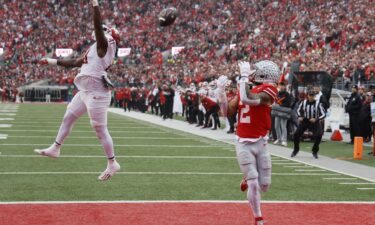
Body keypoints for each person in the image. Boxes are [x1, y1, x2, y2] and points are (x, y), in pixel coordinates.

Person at [34, 0, 121, 181]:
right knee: (69, 116)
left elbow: (98, 28)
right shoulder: (97, 49)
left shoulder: (106, 45)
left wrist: (95, 4)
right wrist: (50, 61)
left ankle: (113, 163)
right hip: (85, 91)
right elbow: (74, 62)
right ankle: (56, 148)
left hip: (97, 92)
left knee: (99, 129)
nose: (100, 31)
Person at [225, 60, 280, 225]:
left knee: (265, 185)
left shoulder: (269, 89)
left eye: (256, 70)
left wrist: (243, 79)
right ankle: (258, 217)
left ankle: (247, 179)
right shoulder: (245, 88)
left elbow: (250, 99)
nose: (252, 72)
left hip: (261, 142)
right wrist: (221, 94)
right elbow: (228, 111)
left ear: (264, 74)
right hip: (243, 141)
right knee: (255, 184)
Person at [291, 90, 326, 159]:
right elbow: (298, 110)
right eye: (310, 95)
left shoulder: (318, 103)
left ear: (314, 96)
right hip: (305, 120)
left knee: (319, 135)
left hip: (314, 121)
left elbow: (323, 114)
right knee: (296, 134)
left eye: (312, 95)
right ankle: (296, 150)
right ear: (307, 96)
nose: (311, 97)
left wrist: (316, 119)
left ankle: (314, 151)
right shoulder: (303, 102)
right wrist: (299, 116)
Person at [272, 82, 292, 146]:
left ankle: (284, 140)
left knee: (283, 126)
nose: (281, 87)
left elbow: (289, 103)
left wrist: (280, 106)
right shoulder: (277, 93)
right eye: (280, 85)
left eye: (282, 86)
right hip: (277, 111)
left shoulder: (287, 94)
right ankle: (279, 139)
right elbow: (275, 101)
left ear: (285, 86)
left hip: (284, 111)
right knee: (276, 126)